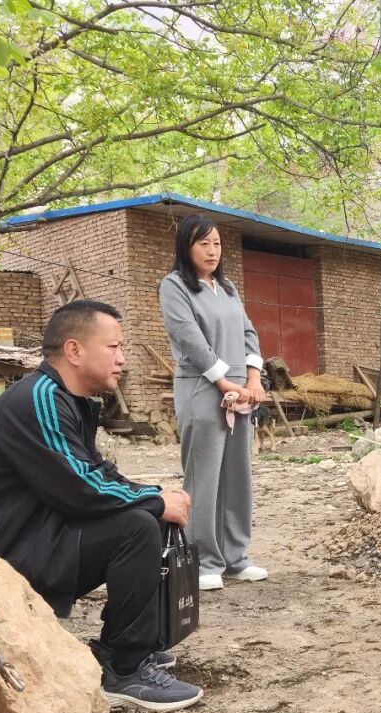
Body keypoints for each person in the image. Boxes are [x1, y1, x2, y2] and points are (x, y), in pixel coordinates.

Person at [0, 300, 204, 712]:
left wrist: (155, 493)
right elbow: (81, 489)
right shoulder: (40, 398)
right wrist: (155, 502)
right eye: (114, 347)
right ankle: (125, 670)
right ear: (74, 350)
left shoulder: (67, 399)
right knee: (138, 526)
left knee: (148, 515)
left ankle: (123, 649)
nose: (122, 359)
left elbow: (95, 471)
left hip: (35, 535)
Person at [159, 215, 267, 591]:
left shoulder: (227, 287)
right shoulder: (174, 286)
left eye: (217, 243)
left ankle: (235, 557)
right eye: (203, 243)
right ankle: (204, 560)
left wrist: (253, 379)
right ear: (186, 247)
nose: (212, 251)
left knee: (237, 475)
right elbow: (189, 338)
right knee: (204, 476)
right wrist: (223, 382)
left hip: (239, 393)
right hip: (202, 389)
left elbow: (248, 331)